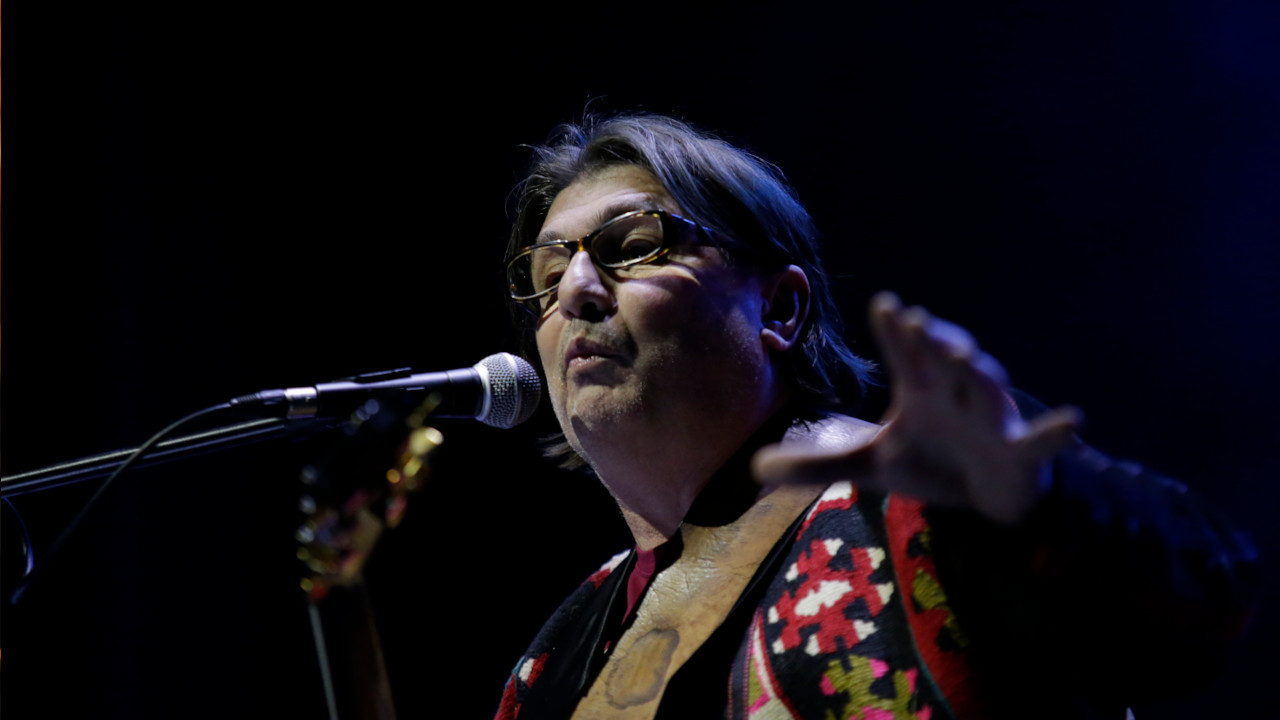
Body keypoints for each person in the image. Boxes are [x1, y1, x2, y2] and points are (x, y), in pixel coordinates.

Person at [492, 113, 1256, 720]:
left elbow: (1200, 616)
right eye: (548, 276)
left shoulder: (931, 485)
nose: (576, 290)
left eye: (633, 246)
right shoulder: (554, 658)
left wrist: (1042, 502)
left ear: (779, 308)